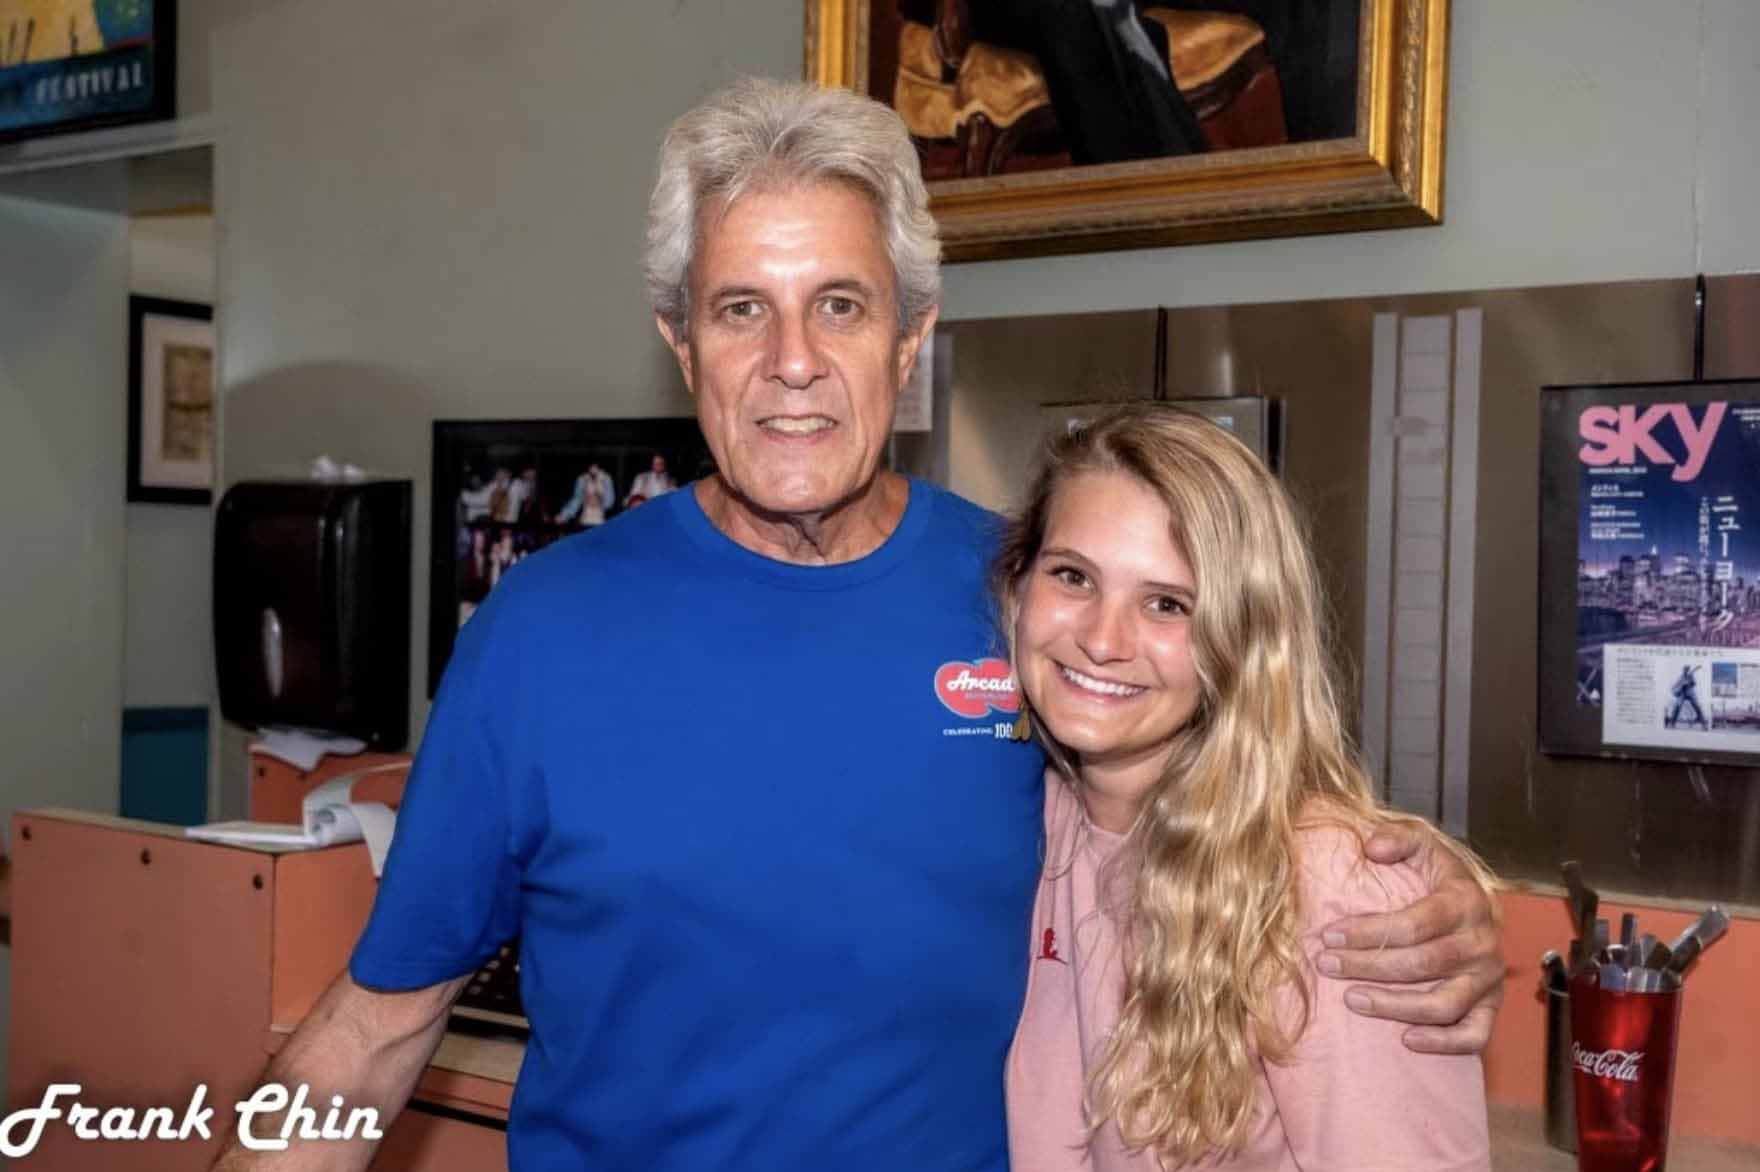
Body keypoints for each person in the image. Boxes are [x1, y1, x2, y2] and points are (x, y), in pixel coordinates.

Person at [211, 79, 1501, 1172]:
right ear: (679, 345)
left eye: (839, 303)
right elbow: (377, 1024)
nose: (791, 359)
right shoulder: (539, 635)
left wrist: (1419, 897)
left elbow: (1221, 814)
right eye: (739, 309)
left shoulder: (1026, 603)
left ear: (910, 337)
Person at [996, 404, 1493, 1170]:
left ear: (1245, 636)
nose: (1102, 639)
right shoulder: (1037, 812)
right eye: (1073, 576)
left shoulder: (1327, 883)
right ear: (1017, 587)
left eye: (1168, 604)